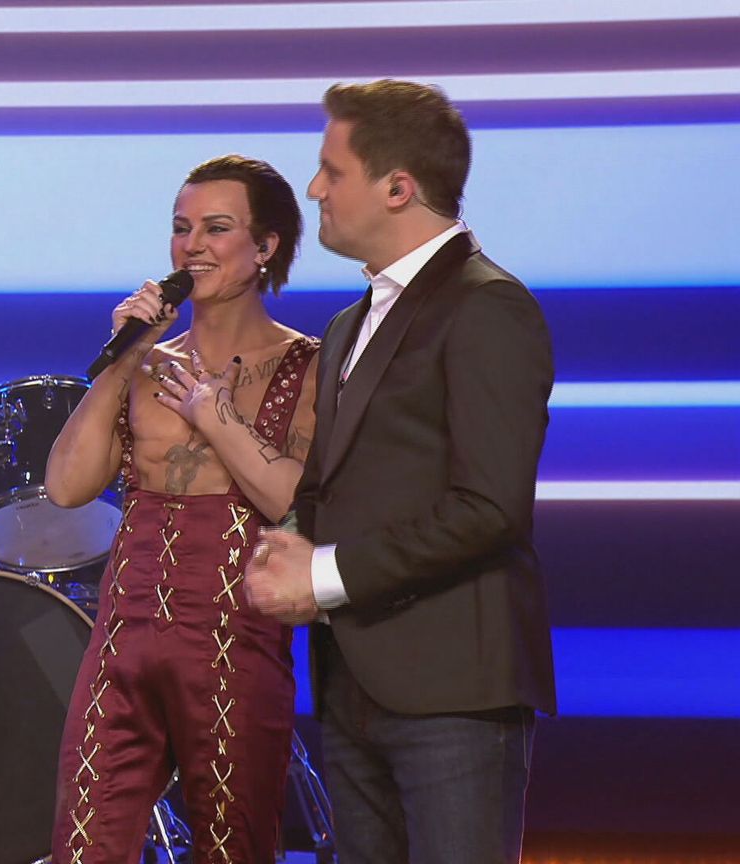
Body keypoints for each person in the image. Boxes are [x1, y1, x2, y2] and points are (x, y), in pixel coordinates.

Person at [244, 79, 555, 864]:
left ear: (398, 188)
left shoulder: (487, 306)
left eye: (332, 171)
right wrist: (291, 542)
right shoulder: (349, 324)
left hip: (454, 692)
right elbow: (338, 483)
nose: (314, 189)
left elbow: (489, 508)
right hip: (354, 685)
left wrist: (324, 575)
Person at [47, 154, 318, 864]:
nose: (191, 245)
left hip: (236, 640)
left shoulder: (308, 364)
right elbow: (66, 487)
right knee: (84, 845)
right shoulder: (144, 363)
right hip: (123, 638)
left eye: (216, 228)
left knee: (233, 846)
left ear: (266, 247)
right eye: (180, 227)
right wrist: (124, 358)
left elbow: (297, 503)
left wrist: (217, 417)